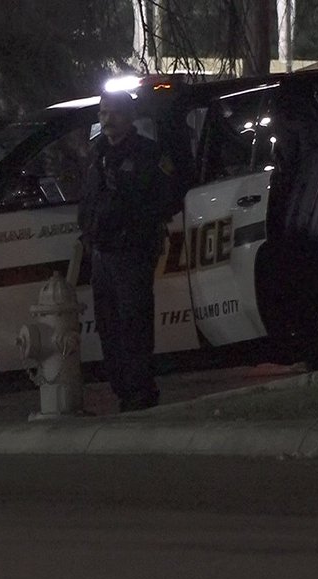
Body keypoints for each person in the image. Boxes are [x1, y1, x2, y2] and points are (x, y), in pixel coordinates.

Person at [78, 89, 182, 412]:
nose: (106, 120)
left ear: (128, 117)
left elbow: (168, 200)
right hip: (102, 255)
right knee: (108, 327)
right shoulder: (97, 154)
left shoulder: (147, 154)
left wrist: (135, 224)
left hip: (132, 253)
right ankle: (123, 390)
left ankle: (141, 392)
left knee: (133, 324)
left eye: (112, 113)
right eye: (102, 113)